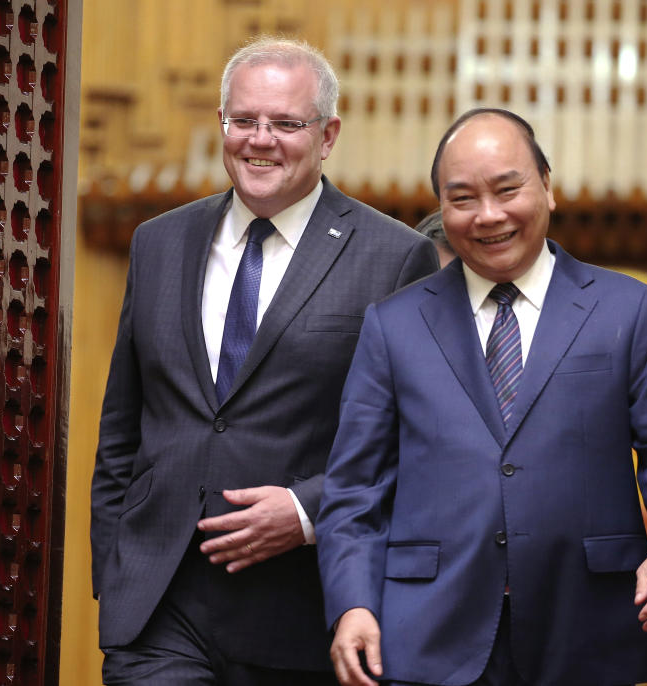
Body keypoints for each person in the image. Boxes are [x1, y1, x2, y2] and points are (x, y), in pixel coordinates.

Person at [316, 108, 647, 686]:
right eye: (462, 198)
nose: (489, 216)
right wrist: (353, 604)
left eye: (508, 190)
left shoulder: (628, 309)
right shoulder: (393, 325)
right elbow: (355, 487)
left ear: (548, 188)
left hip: (588, 626)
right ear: (441, 208)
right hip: (427, 634)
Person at [90, 37, 438, 685]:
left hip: (299, 608)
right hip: (158, 603)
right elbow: (123, 427)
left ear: (328, 134)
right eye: (243, 120)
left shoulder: (392, 257)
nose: (260, 140)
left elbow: (416, 441)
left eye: (286, 124)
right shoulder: (158, 243)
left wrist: (307, 510)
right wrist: (115, 570)